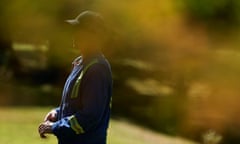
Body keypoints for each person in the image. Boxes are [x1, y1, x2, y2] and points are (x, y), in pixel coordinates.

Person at [38, 10, 113, 144]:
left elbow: (90, 115)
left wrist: (55, 127)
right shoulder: (81, 63)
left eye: (79, 30)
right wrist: (58, 113)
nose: (74, 34)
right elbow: (76, 104)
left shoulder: (97, 69)